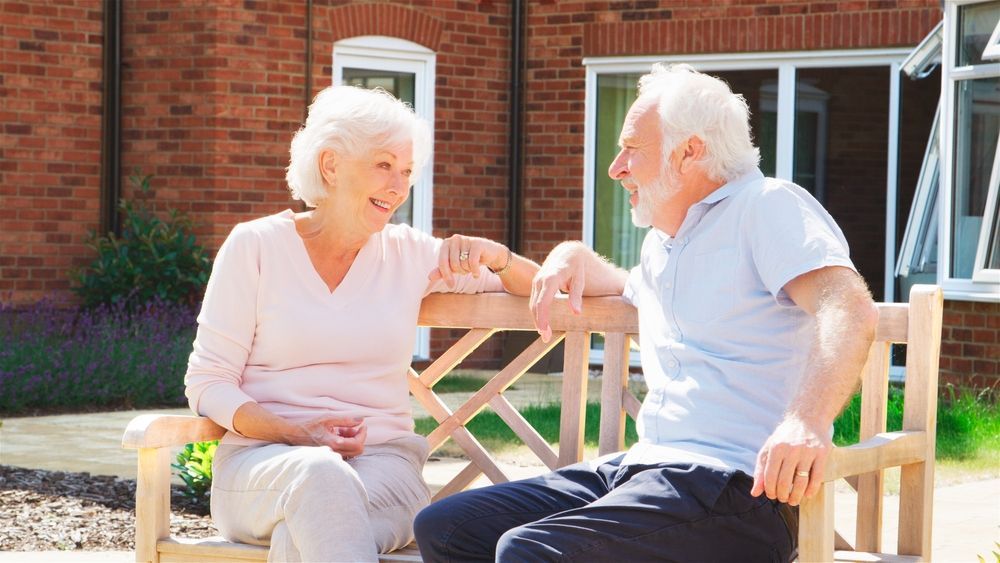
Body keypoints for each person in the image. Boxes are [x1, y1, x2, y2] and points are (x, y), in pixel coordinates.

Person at [413, 63, 878, 562]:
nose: (615, 167)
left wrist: (805, 422)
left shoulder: (766, 207)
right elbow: (608, 286)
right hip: (645, 468)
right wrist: (560, 255)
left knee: (531, 553)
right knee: (447, 527)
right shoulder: (666, 243)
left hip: (738, 488)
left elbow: (847, 305)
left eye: (631, 149)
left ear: (689, 152)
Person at [184, 85, 539, 562]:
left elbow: (539, 287)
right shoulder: (255, 247)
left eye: (407, 172)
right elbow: (208, 383)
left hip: (384, 469)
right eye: (383, 165)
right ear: (330, 165)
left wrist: (498, 257)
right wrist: (299, 434)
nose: (398, 186)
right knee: (321, 479)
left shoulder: (411, 254)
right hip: (263, 465)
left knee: (308, 531)